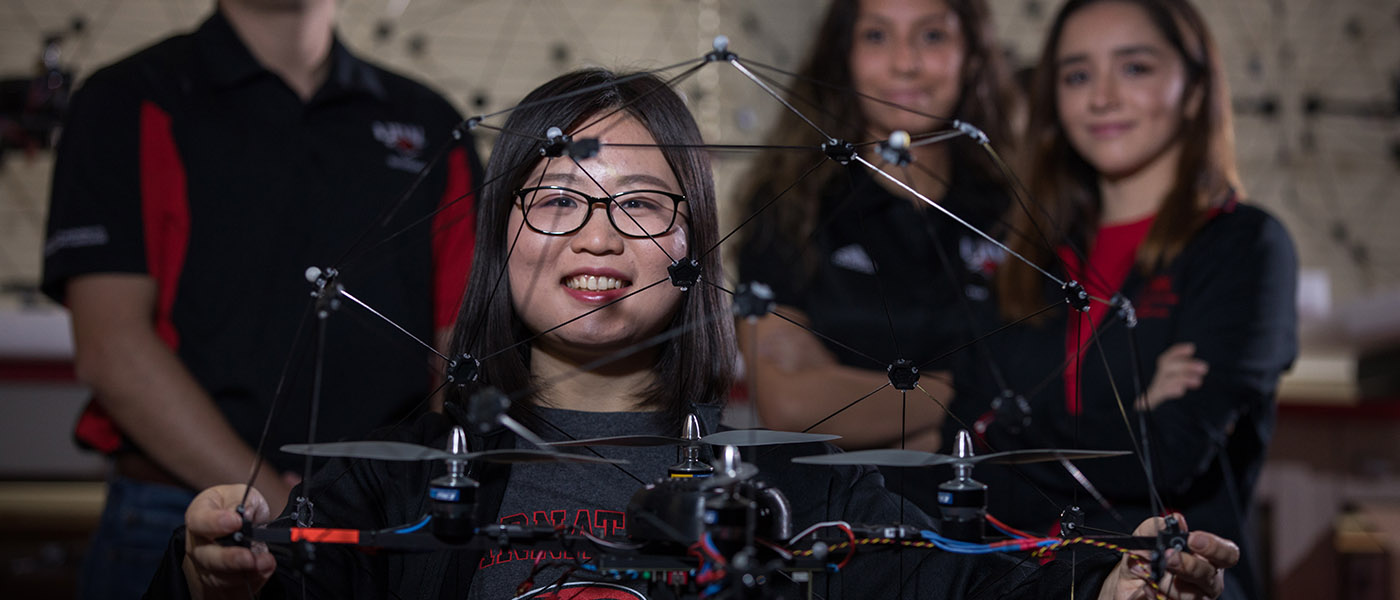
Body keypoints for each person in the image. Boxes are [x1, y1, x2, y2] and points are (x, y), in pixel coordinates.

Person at [157, 68, 1239, 600]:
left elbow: (968, 581)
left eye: (641, 203)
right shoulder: (382, 491)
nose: (598, 233)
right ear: (499, 238)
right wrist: (204, 569)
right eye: (556, 199)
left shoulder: (807, 495)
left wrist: (1106, 583)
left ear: (690, 250)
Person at [40, 0, 481, 597]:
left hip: (385, 532)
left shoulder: (431, 124)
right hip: (177, 515)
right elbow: (111, 347)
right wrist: (292, 509)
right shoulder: (128, 99)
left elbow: (462, 351)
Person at [945, 1, 1297, 598]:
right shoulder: (1025, 256)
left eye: (1134, 68)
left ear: (1193, 90)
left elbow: (1173, 452)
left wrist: (1018, 430)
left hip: (1174, 582)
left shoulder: (1244, 246)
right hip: (1022, 581)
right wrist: (1135, 412)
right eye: (1077, 75)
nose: (1101, 97)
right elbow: (968, 451)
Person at [734, 0, 1020, 452]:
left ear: (973, 56)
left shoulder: (1018, 207)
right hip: (844, 511)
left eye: (932, 36)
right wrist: (981, 399)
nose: (905, 64)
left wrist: (879, 412)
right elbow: (791, 406)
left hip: (1002, 510)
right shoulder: (791, 205)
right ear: (842, 55)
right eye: (876, 36)